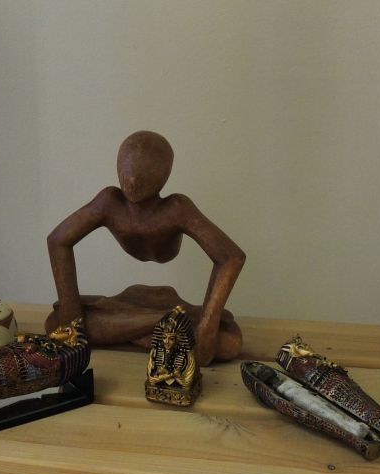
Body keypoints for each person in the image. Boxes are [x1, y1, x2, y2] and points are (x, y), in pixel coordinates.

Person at [46, 130, 245, 366]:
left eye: (145, 174)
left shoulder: (177, 209)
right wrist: (71, 313)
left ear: (164, 175)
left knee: (229, 343)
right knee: (56, 323)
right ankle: (165, 323)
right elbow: (58, 240)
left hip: (159, 301)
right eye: (126, 172)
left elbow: (231, 257)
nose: (132, 181)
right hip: (131, 304)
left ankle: (140, 327)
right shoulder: (109, 203)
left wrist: (208, 324)